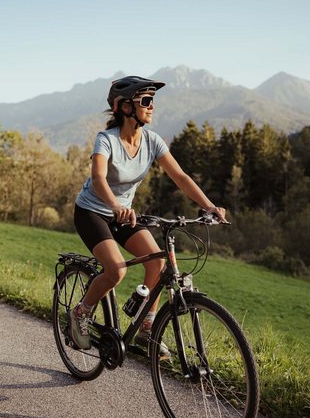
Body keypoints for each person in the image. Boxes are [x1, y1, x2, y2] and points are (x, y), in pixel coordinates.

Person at [71, 75, 227, 353]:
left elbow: (179, 176)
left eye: (152, 101)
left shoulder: (152, 141)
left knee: (159, 264)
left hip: (125, 215)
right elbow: (98, 178)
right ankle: (81, 312)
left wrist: (208, 206)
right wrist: (115, 205)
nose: (152, 106)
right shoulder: (106, 140)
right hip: (92, 212)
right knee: (116, 270)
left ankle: (147, 328)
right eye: (146, 101)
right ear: (125, 107)